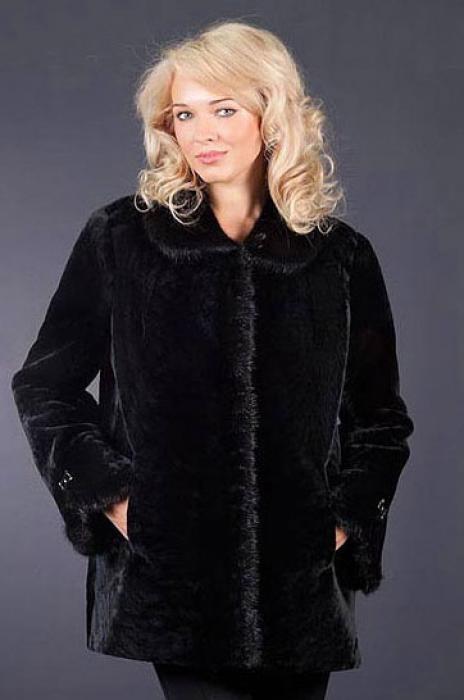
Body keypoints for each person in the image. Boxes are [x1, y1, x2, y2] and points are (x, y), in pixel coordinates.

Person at [11, 20, 414, 700]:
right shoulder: (123, 238)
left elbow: (380, 417)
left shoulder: (340, 256)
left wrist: (343, 524)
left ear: (271, 114)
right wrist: (114, 499)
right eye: (184, 114)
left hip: (300, 589)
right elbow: (45, 385)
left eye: (224, 110)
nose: (202, 133)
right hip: (174, 583)